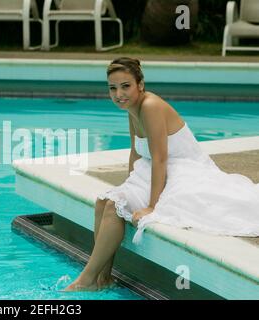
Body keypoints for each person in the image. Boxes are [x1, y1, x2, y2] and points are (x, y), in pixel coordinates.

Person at [65, 57, 259, 291]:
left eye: (125, 86)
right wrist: (127, 184)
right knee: (103, 202)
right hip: (152, 168)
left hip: (181, 170)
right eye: (112, 88)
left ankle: (86, 279)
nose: (119, 94)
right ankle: (102, 278)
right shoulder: (131, 108)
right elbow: (136, 152)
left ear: (141, 84)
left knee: (112, 208)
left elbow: (160, 158)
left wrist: (152, 206)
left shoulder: (150, 106)